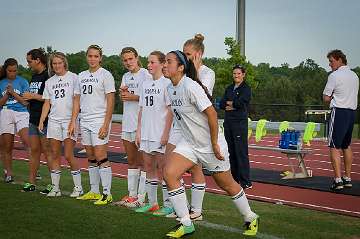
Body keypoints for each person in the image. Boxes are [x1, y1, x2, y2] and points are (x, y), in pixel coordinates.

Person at [163, 50, 259, 238]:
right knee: (169, 173)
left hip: (209, 145)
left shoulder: (190, 86)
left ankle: (250, 216)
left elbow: (212, 114)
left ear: (181, 68)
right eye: (164, 62)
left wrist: (214, 143)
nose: (164, 65)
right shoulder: (169, 88)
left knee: (227, 184)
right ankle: (186, 223)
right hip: (190, 144)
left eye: (169, 62)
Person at [69, 44, 115, 205]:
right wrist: (74, 121)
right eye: (90, 56)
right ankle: (94, 191)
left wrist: (106, 123)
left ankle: (107, 193)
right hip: (85, 120)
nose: (93, 59)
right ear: (86, 57)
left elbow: (110, 100)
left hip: (99, 120)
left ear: (100, 58)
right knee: (90, 157)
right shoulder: (81, 75)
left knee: (101, 157)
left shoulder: (105, 75)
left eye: (96, 56)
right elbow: (76, 100)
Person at [38, 52, 83, 197]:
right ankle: (55, 188)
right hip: (54, 121)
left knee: (69, 155)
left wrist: (73, 121)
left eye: (59, 63)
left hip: (69, 121)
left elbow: (77, 100)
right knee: (54, 154)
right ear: (51, 66)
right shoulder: (49, 82)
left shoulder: (74, 77)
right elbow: (47, 103)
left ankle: (78, 188)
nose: (57, 66)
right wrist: (41, 120)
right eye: (54, 64)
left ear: (64, 63)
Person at [134, 51, 173, 214]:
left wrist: (165, 134)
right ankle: (152, 203)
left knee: (164, 169)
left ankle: (168, 204)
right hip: (146, 133)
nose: (149, 65)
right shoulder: (145, 84)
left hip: (160, 133)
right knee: (148, 167)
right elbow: (141, 109)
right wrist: (138, 131)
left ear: (162, 63)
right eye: (148, 62)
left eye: (152, 62)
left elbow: (170, 111)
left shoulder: (167, 84)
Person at [115, 47, 151, 207]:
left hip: (142, 124)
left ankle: (142, 198)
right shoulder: (125, 76)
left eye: (130, 59)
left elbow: (150, 97)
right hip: (127, 122)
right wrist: (122, 93)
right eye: (125, 60)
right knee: (131, 160)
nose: (128, 62)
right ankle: (132, 195)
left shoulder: (146, 74)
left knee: (144, 162)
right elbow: (124, 96)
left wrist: (133, 96)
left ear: (137, 58)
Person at [323, 49, 359, 191]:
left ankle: (338, 180)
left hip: (339, 112)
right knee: (346, 145)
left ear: (339, 59)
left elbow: (326, 97)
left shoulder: (334, 76)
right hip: (351, 113)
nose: (330, 64)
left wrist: (332, 97)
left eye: (331, 61)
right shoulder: (354, 75)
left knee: (334, 146)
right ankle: (348, 178)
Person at [22, 48, 53, 193]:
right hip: (33, 118)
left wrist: (33, 96)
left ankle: (54, 184)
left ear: (37, 60)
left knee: (48, 151)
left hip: (45, 120)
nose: (28, 64)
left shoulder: (48, 76)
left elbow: (50, 98)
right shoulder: (34, 76)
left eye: (29, 61)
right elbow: (32, 97)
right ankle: (31, 182)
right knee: (33, 151)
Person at [220, 64, 252, 189]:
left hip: (239, 124)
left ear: (243, 75)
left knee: (241, 152)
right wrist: (231, 104)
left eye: (238, 73)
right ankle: (234, 179)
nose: (236, 76)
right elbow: (222, 103)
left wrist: (233, 104)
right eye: (234, 73)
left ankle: (245, 181)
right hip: (228, 123)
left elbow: (241, 103)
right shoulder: (229, 88)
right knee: (231, 152)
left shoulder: (246, 89)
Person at [0, 58, 30, 183]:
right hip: (6, 112)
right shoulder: (1, 82)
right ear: (5, 70)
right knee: (7, 146)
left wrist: (13, 92)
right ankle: (9, 173)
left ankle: (35, 170)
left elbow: (25, 102)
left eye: (15, 71)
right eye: (10, 71)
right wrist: (7, 94)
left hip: (21, 112)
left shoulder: (23, 81)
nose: (12, 73)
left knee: (27, 141)